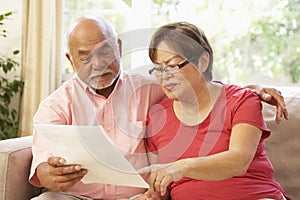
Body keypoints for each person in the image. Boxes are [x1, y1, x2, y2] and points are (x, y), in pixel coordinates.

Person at [29, 16, 288, 200]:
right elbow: (42, 169)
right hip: (76, 196)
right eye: (85, 56)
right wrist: (51, 175)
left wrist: (253, 90)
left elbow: (199, 85)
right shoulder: (55, 106)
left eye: (105, 51)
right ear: (71, 60)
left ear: (118, 47)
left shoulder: (150, 89)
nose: (98, 64)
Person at [141, 22, 290, 200]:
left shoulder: (242, 100)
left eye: (172, 65)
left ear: (203, 61)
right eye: (158, 68)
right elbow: (161, 189)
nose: (163, 76)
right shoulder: (156, 117)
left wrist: (180, 167)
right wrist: (154, 194)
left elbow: (239, 161)